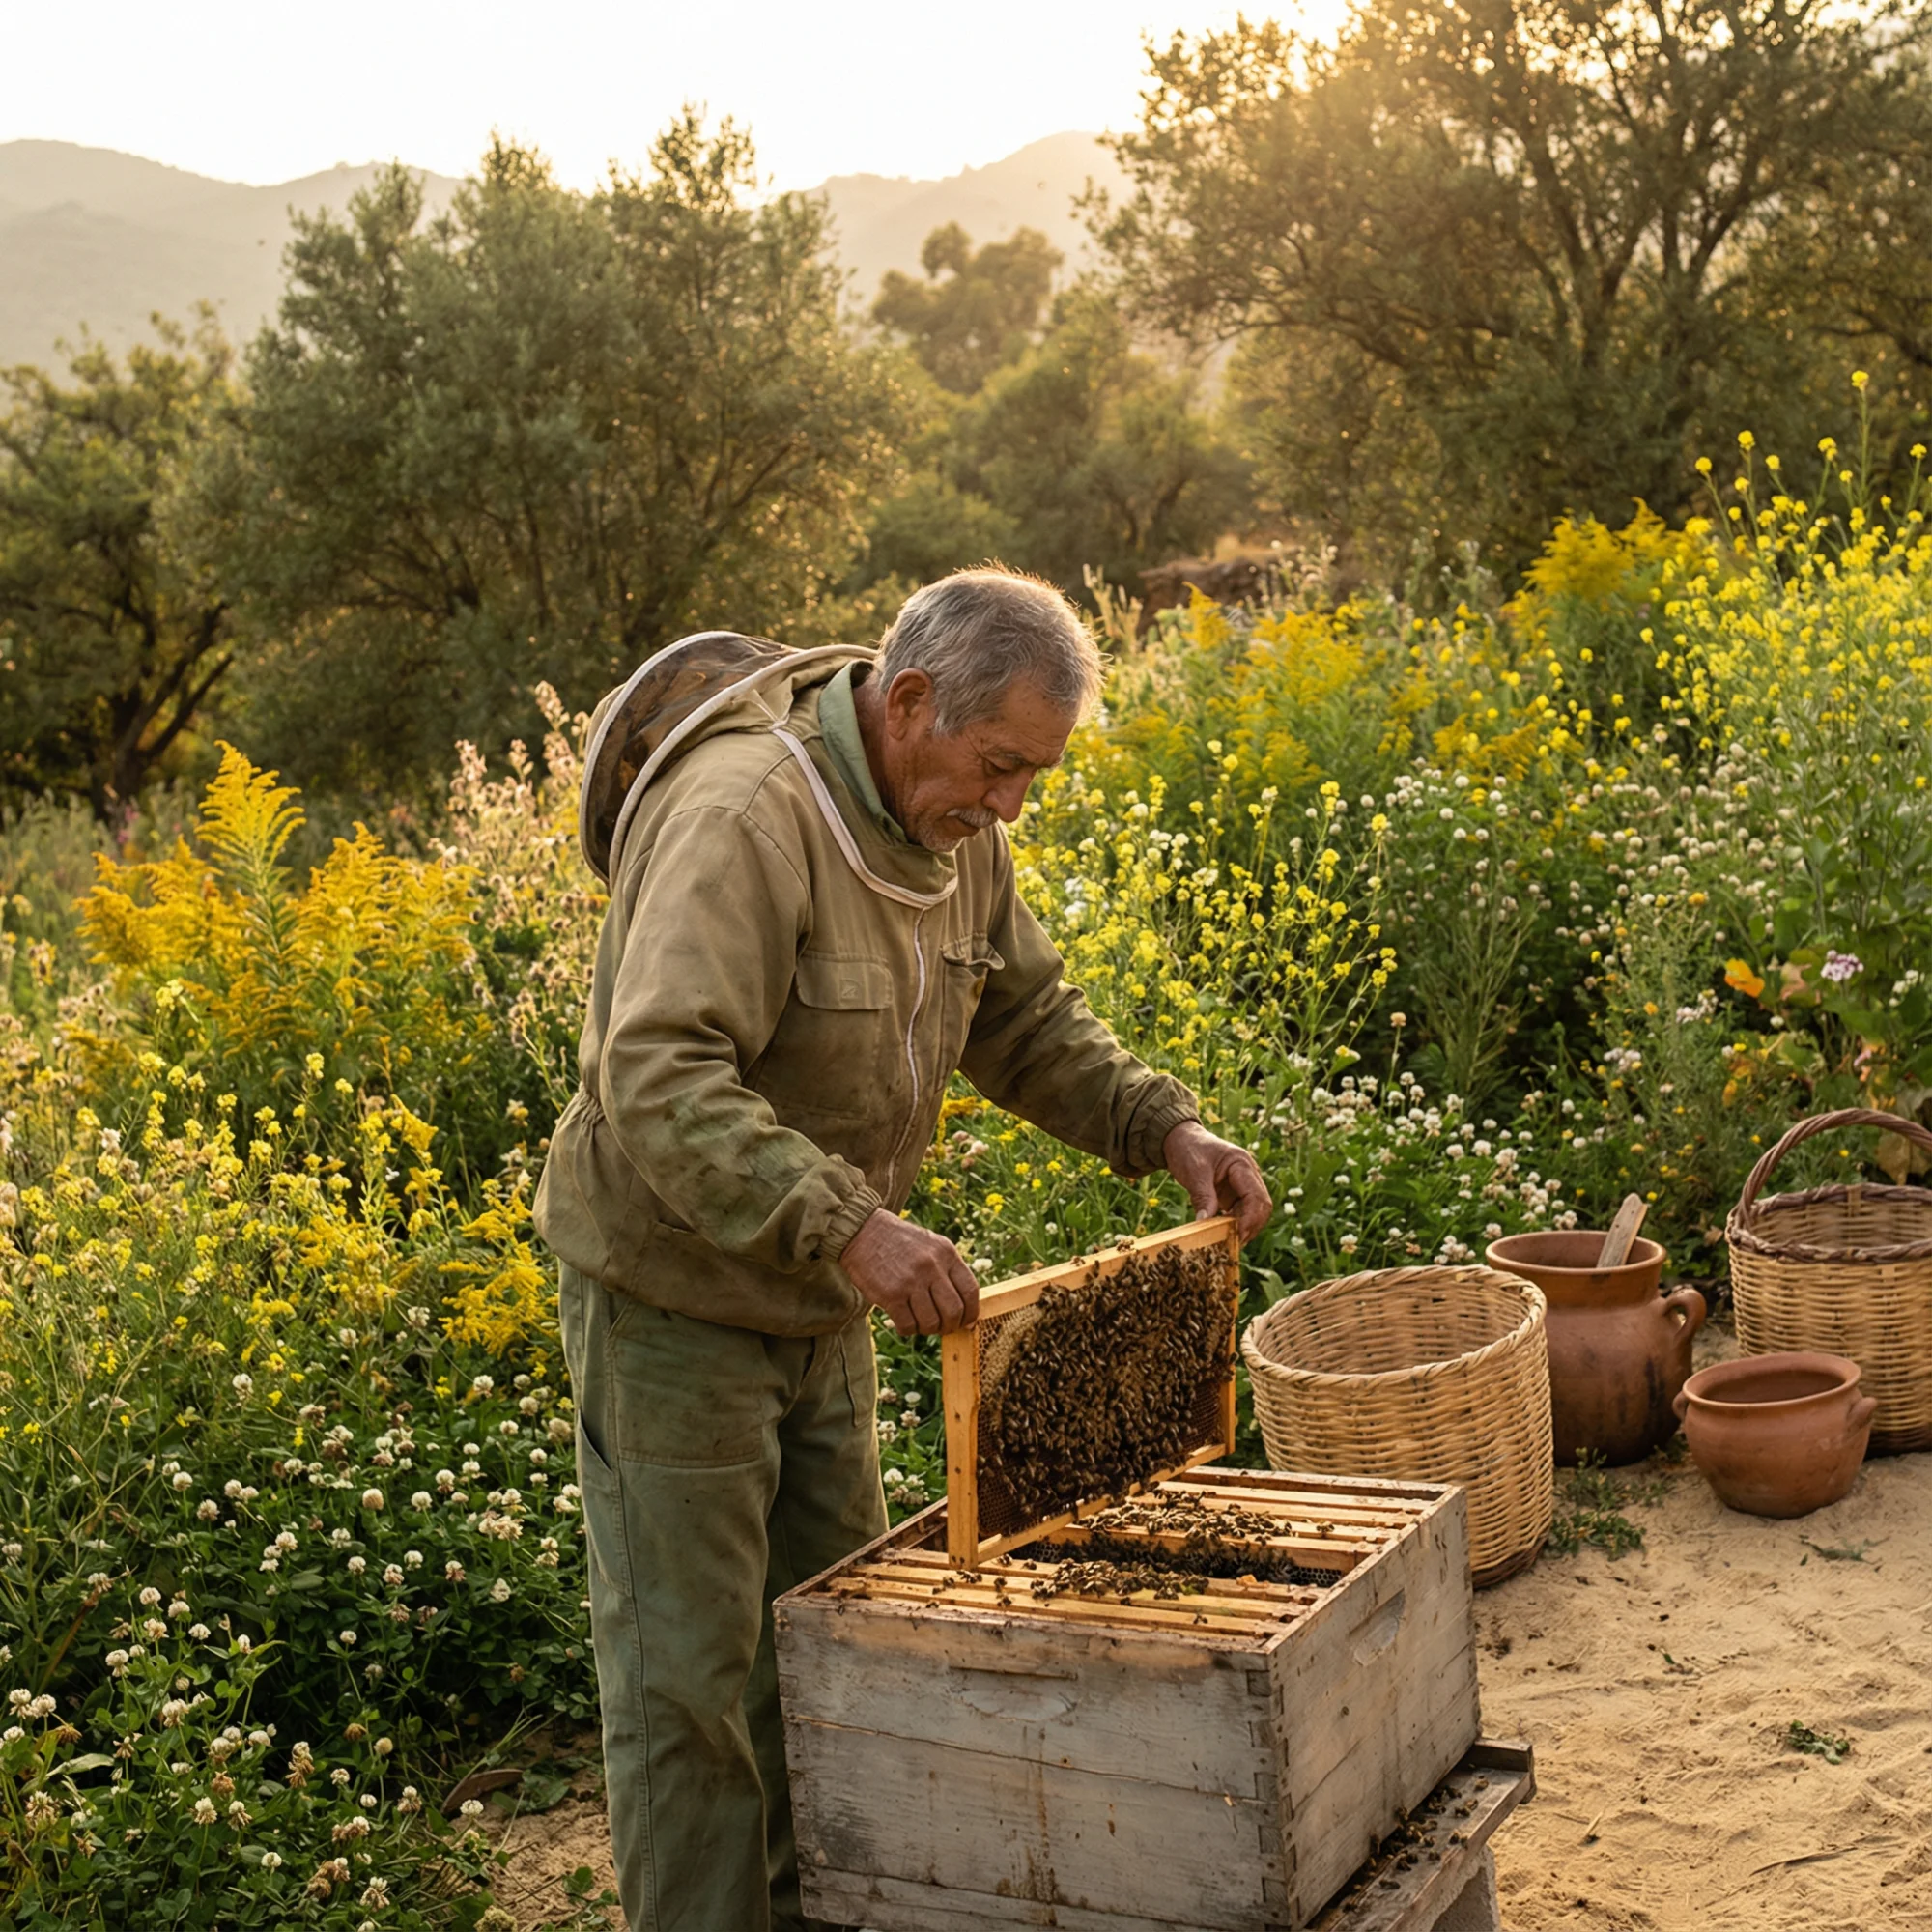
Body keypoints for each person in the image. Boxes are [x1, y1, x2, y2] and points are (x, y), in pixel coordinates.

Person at [534, 565, 1272, 1931]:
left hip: (820, 1305)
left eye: (1033, 776)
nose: (1012, 805)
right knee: (689, 1691)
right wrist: (850, 1225)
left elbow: (1024, 1020)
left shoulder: (956, 828)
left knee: (831, 1651)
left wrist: (1162, 1126)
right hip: (673, 1304)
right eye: (1000, 767)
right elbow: (658, 1073)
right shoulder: (748, 816)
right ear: (914, 700)